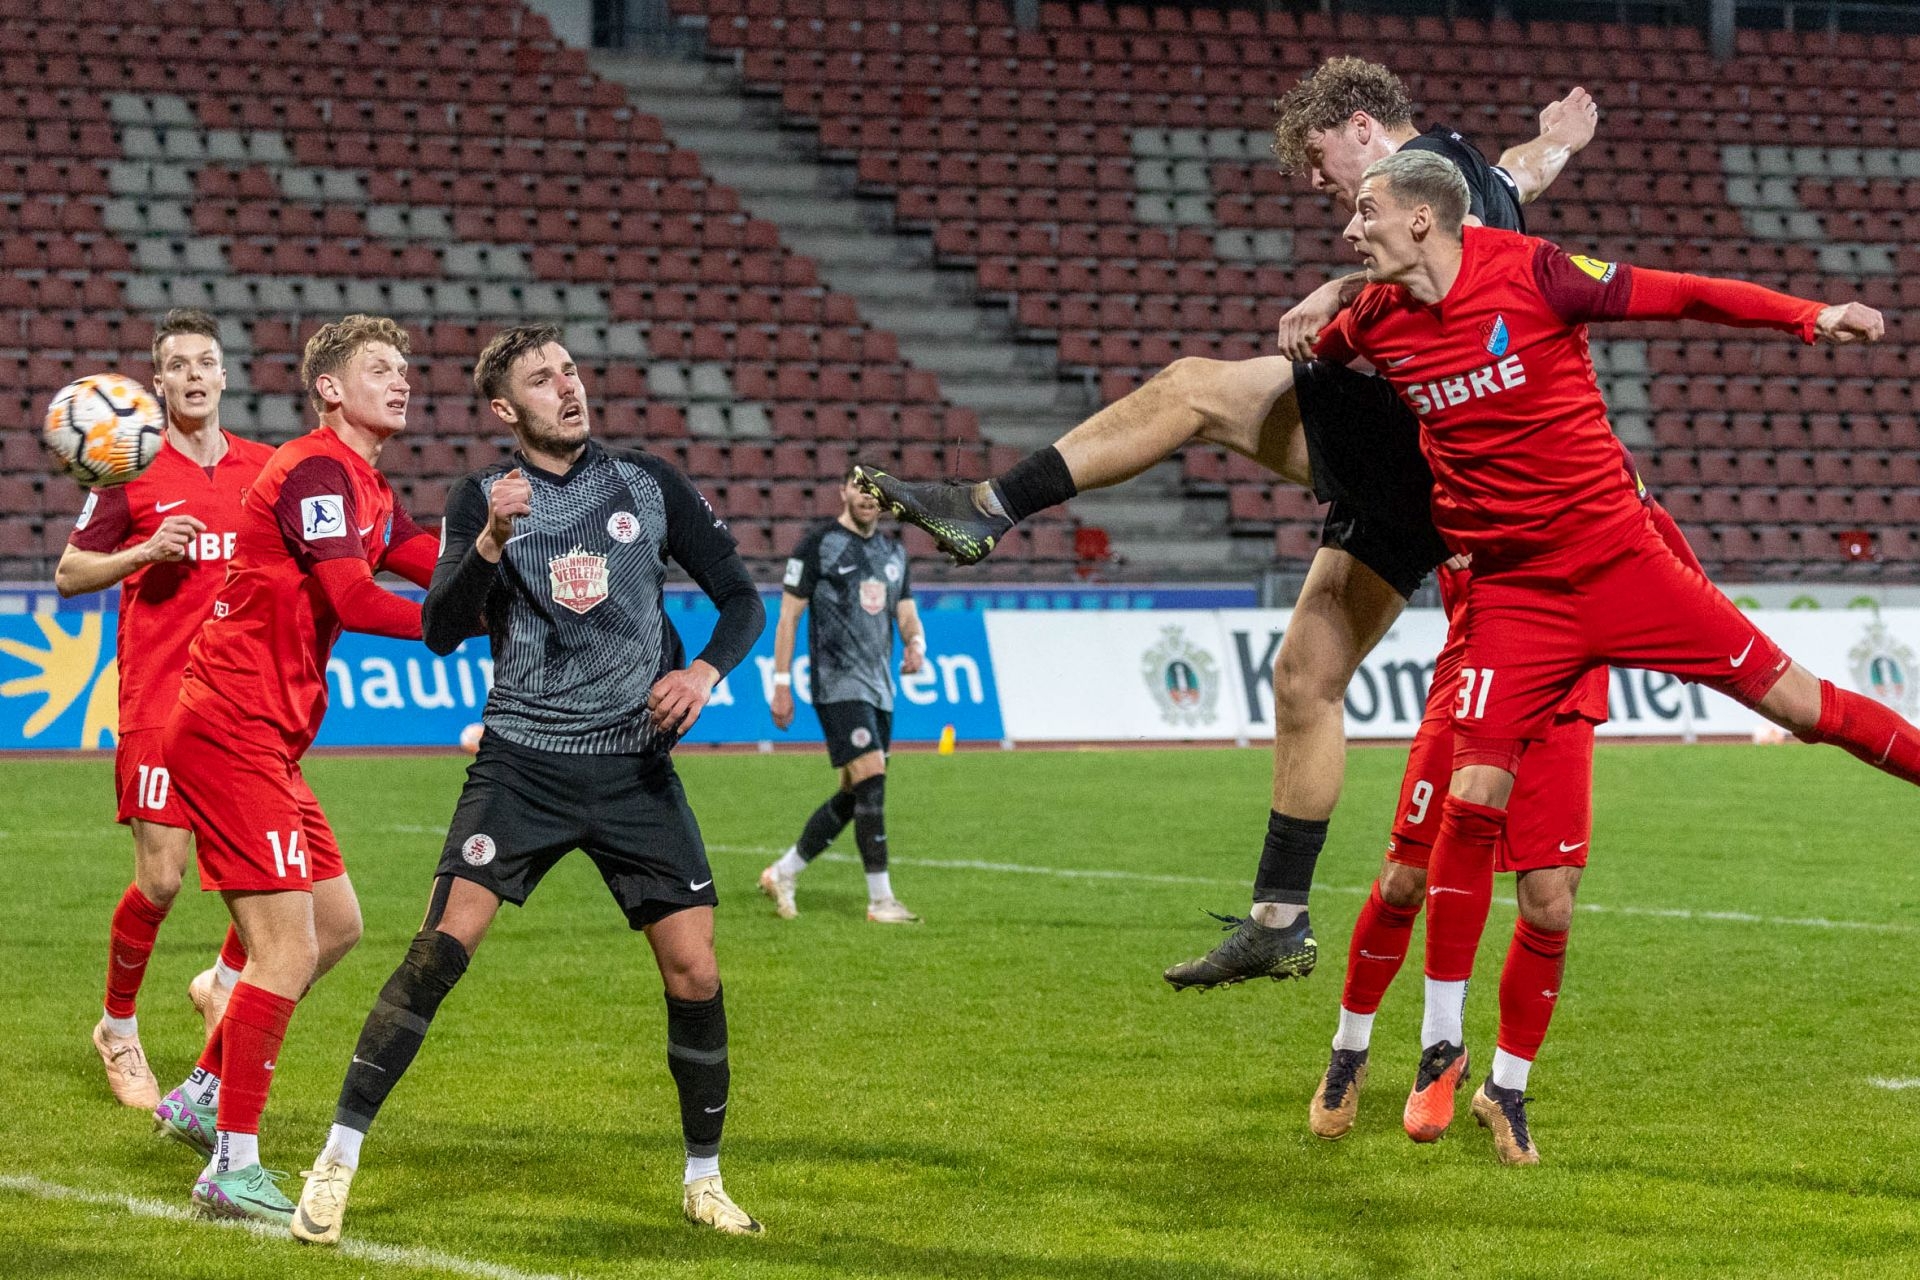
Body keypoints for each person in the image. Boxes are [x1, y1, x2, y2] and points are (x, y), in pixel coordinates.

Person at [855, 57, 1600, 985]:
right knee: (1305, 677)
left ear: (1363, 127)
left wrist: (1341, 292)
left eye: (1321, 161)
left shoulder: (1431, 173)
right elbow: (1518, 176)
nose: (1320, 184)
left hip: (1427, 439)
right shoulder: (1471, 170)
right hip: (1437, 477)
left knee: (1193, 390)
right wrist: (1558, 141)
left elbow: (1462, 259)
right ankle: (1279, 921)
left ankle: (989, 506)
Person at [1314, 147, 1915, 1153]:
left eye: (1364, 210)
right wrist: (1317, 310)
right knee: (1472, 798)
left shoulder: (1537, 272)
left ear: (1422, 218)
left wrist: (1808, 315)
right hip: (1514, 597)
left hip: (1624, 562)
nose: (1348, 226)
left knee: (1803, 706)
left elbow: (1683, 294)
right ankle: (1440, 1044)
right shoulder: (1372, 319)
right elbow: (1314, 357)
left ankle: (1482, 1070)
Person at [290, 325, 768, 1245]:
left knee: (696, 969)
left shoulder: (649, 484)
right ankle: (336, 1161)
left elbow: (740, 597)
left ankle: (704, 1180)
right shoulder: (482, 497)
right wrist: (490, 543)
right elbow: (441, 629)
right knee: (437, 953)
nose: (569, 388)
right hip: (522, 766)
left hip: (634, 768)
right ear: (506, 410)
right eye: (544, 381)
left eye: (571, 371)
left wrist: (704, 672)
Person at [149, 315, 439, 1223]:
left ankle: (203, 1093)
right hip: (230, 727)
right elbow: (357, 597)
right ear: (330, 389)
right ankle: (231, 1167)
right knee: (287, 949)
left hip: (265, 739)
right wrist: (472, 621)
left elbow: (429, 561)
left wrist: (508, 562)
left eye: (404, 368)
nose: (401, 380)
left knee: (337, 924)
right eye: (380, 369)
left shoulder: (367, 486)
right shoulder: (314, 469)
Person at [56, 308, 270, 1108]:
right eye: (177, 365)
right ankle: (117, 1027)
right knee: (162, 880)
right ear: (157, 384)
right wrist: (145, 551)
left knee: (270, 870)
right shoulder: (127, 474)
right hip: (159, 701)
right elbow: (70, 573)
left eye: (204, 362)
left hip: (242, 707)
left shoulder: (263, 470)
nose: (192, 375)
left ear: (223, 375)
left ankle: (221, 982)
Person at [759, 469, 926, 923]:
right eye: (859, 487)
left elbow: (905, 612)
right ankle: (881, 901)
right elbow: (789, 618)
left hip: (880, 688)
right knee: (872, 776)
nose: (867, 497)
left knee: (855, 794)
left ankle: (783, 872)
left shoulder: (894, 553)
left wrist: (916, 643)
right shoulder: (819, 545)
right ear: (843, 492)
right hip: (837, 684)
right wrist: (781, 682)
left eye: (875, 490)